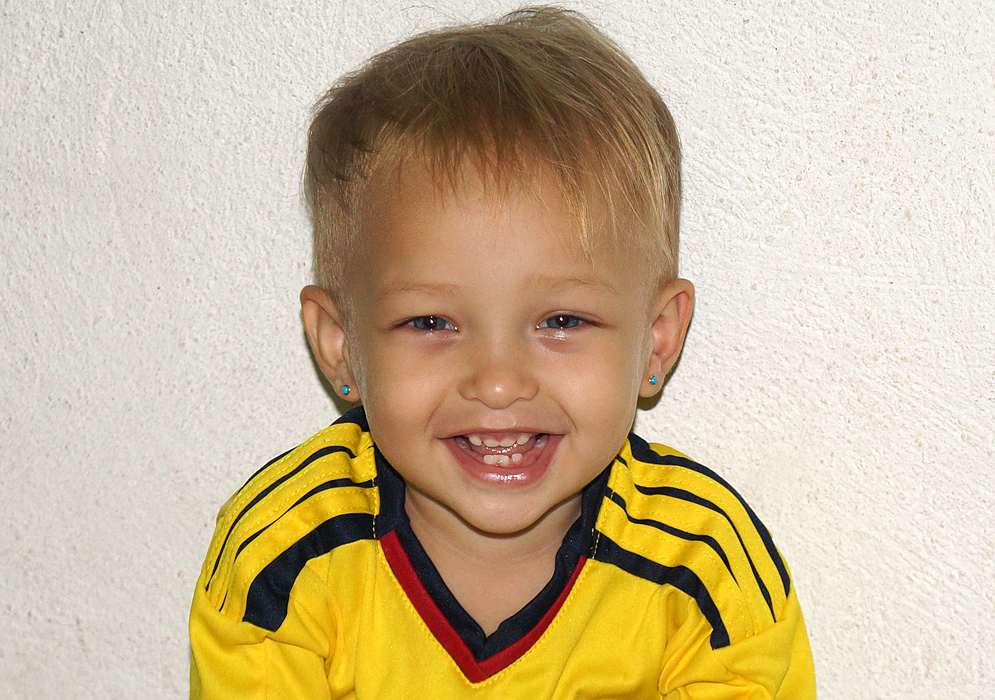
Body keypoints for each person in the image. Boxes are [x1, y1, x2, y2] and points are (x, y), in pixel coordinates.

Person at [188, 6, 815, 698]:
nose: (496, 383)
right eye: (430, 323)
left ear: (656, 338)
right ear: (339, 347)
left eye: (560, 319)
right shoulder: (282, 559)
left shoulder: (706, 573)